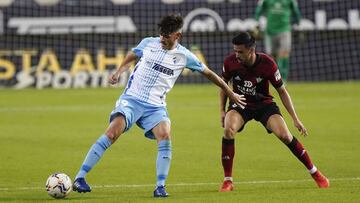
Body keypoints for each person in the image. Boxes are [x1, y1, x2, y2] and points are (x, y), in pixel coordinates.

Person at [72, 14, 246, 198]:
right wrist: (119, 71)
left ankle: (160, 187)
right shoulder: (149, 43)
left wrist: (230, 93)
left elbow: (210, 74)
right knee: (112, 133)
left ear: (177, 36)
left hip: (155, 107)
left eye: (166, 36)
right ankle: (80, 177)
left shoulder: (184, 56)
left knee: (165, 136)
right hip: (131, 99)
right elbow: (133, 54)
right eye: (161, 34)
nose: (162, 38)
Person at [218, 32, 329, 192]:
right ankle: (228, 181)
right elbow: (223, 85)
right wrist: (222, 110)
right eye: (235, 51)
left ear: (251, 50)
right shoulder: (230, 62)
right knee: (228, 130)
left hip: (264, 105)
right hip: (240, 103)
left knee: (285, 135)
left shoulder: (267, 63)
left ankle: (315, 172)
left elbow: (282, 91)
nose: (237, 55)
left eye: (240, 51)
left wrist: (295, 119)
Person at [254, 0, 302, 81]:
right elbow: (259, 10)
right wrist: (256, 23)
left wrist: (298, 25)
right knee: (272, 56)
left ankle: (283, 79)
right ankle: (271, 78)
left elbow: (296, 12)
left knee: (284, 54)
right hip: (270, 31)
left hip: (285, 30)